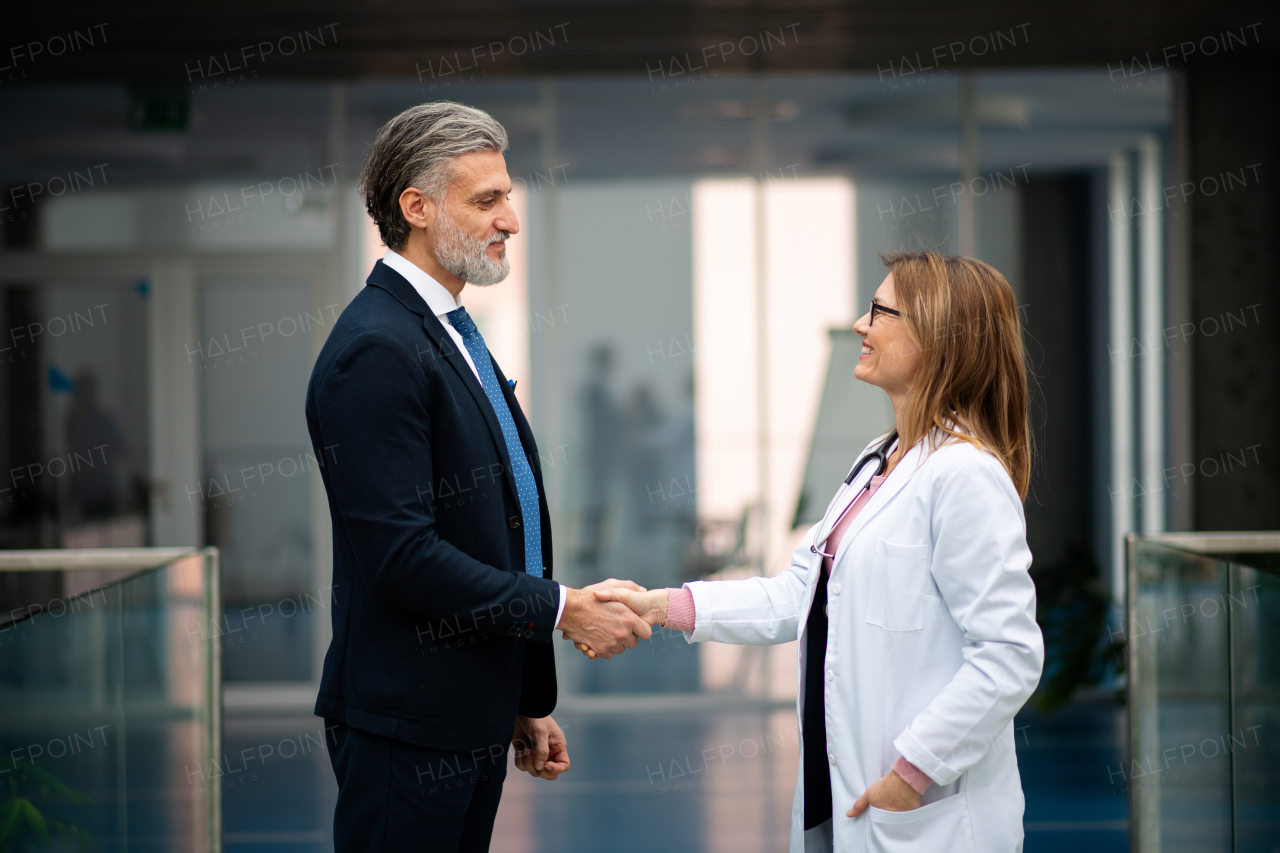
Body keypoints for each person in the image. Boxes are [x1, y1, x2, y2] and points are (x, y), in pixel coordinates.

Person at [595, 251, 1045, 852]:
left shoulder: (964, 475)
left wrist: (913, 775)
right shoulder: (876, 460)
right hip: (848, 796)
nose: (860, 324)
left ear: (938, 336)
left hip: (924, 811)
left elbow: (1008, 655)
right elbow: (797, 594)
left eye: (881, 311)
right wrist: (659, 606)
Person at [305, 101, 651, 853]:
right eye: (486, 199)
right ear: (417, 208)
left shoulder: (447, 332)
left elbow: (500, 528)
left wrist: (521, 698)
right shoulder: (377, 349)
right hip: (407, 723)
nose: (510, 220)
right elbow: (402, 556)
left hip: (465, 711)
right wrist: (562, 610)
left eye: (508, 197)